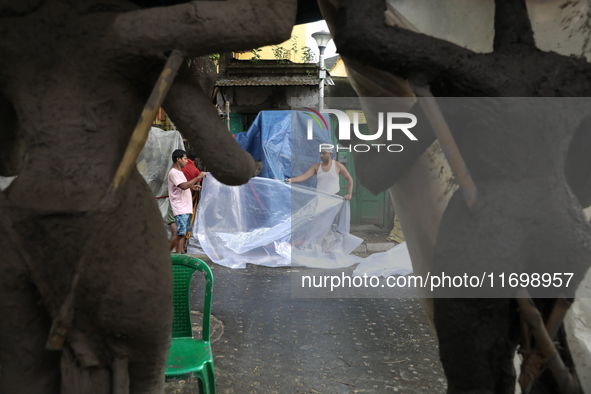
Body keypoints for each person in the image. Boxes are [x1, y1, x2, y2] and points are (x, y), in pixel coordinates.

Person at [168, 149, 205, 253]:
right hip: (180, 207)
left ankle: (178, 254)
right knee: (180, 233)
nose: (186, 161)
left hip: (185, 207)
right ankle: (167, 253)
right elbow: (183, 186)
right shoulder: (174, 173)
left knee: (182, 233)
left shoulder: (180, 173)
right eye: (184, 159)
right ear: (178, 159)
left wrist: (192, 187)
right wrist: (198, 177)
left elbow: (182, 186)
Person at [287, 147, 353, 200]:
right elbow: (304, 176)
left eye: (324, 153)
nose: (321, 155)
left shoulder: (338, 166)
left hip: (334, 198)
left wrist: (349, 194)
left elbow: (349, 179)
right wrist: (290, 180)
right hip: (320, 198)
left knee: (333, 217)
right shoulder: (316, 166)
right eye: (321, 153)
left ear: (330, 153)